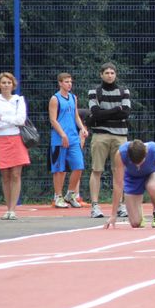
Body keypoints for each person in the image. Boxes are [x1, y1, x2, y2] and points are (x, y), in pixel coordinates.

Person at [103, 139, 155, 229]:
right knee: (135, 223)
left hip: (151, 174)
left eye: (141, 162)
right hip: (132, 178)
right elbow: (118, 184)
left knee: (153, 187)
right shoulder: (121, 154)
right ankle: (138, 210)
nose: (138, 166)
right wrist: (113, 215)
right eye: (135, 163)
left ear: (146, 153)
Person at [87, 62, 131, 218]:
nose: (110, 75)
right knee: (97, 170)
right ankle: (95, 206)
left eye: (112, 73)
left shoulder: (124, 91)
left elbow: (125, 113)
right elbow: (95, 113)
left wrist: (104, 113)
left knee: (119, 171)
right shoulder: (94, 91)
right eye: (106, 73)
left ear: (116, 74)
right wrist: (116, 109)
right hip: (100, 135)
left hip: (121, 136)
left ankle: (120, 205)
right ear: (101, 75)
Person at [0, 72, 29, 221]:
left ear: (13, 85)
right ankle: (8, 208)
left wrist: (3, 118)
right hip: (0, 139)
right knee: (5, 175)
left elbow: (21, 120)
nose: (6, 85)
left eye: (9, 82)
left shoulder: (19, 100)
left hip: (16, 138)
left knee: (16, 174)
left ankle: (13, 210)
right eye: (3, 83)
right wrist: (11, 120)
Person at [48, 73, 88, 209]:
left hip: (73, 138)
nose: (69, 84)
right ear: (60, 83)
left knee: (79, 166)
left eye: (70, 81)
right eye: (66, 81)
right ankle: (58, 196)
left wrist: (82, 128)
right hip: (59, 139)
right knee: (59, 169)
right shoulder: (55, 99)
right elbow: (53, 120)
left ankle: (70, 195)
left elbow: (76, 115)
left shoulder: (73, 97)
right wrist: (62, 134)